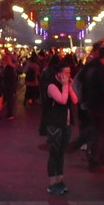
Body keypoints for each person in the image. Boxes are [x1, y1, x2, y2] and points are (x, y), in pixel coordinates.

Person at [40, 56, 78, 195]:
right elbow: (62, 100)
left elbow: (74, 100)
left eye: (70, 73)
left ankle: (60, 180)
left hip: (66, 123)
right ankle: (52, 183)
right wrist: (65, 86)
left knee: (61, 153)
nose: (68, 75)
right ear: (58, 73)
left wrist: (70, 86)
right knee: (54, 153)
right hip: (54, 124)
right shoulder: (51, 86)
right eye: (66, 73)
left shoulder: (65, 85)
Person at [0, 53, 18, 120]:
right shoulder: (10, 68)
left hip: (9, 87)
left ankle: (10, 114)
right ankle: (9, 114)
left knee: (9, 101)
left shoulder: (8, 68)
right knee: (9, 101)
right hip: (10, 86)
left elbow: (8, 78)